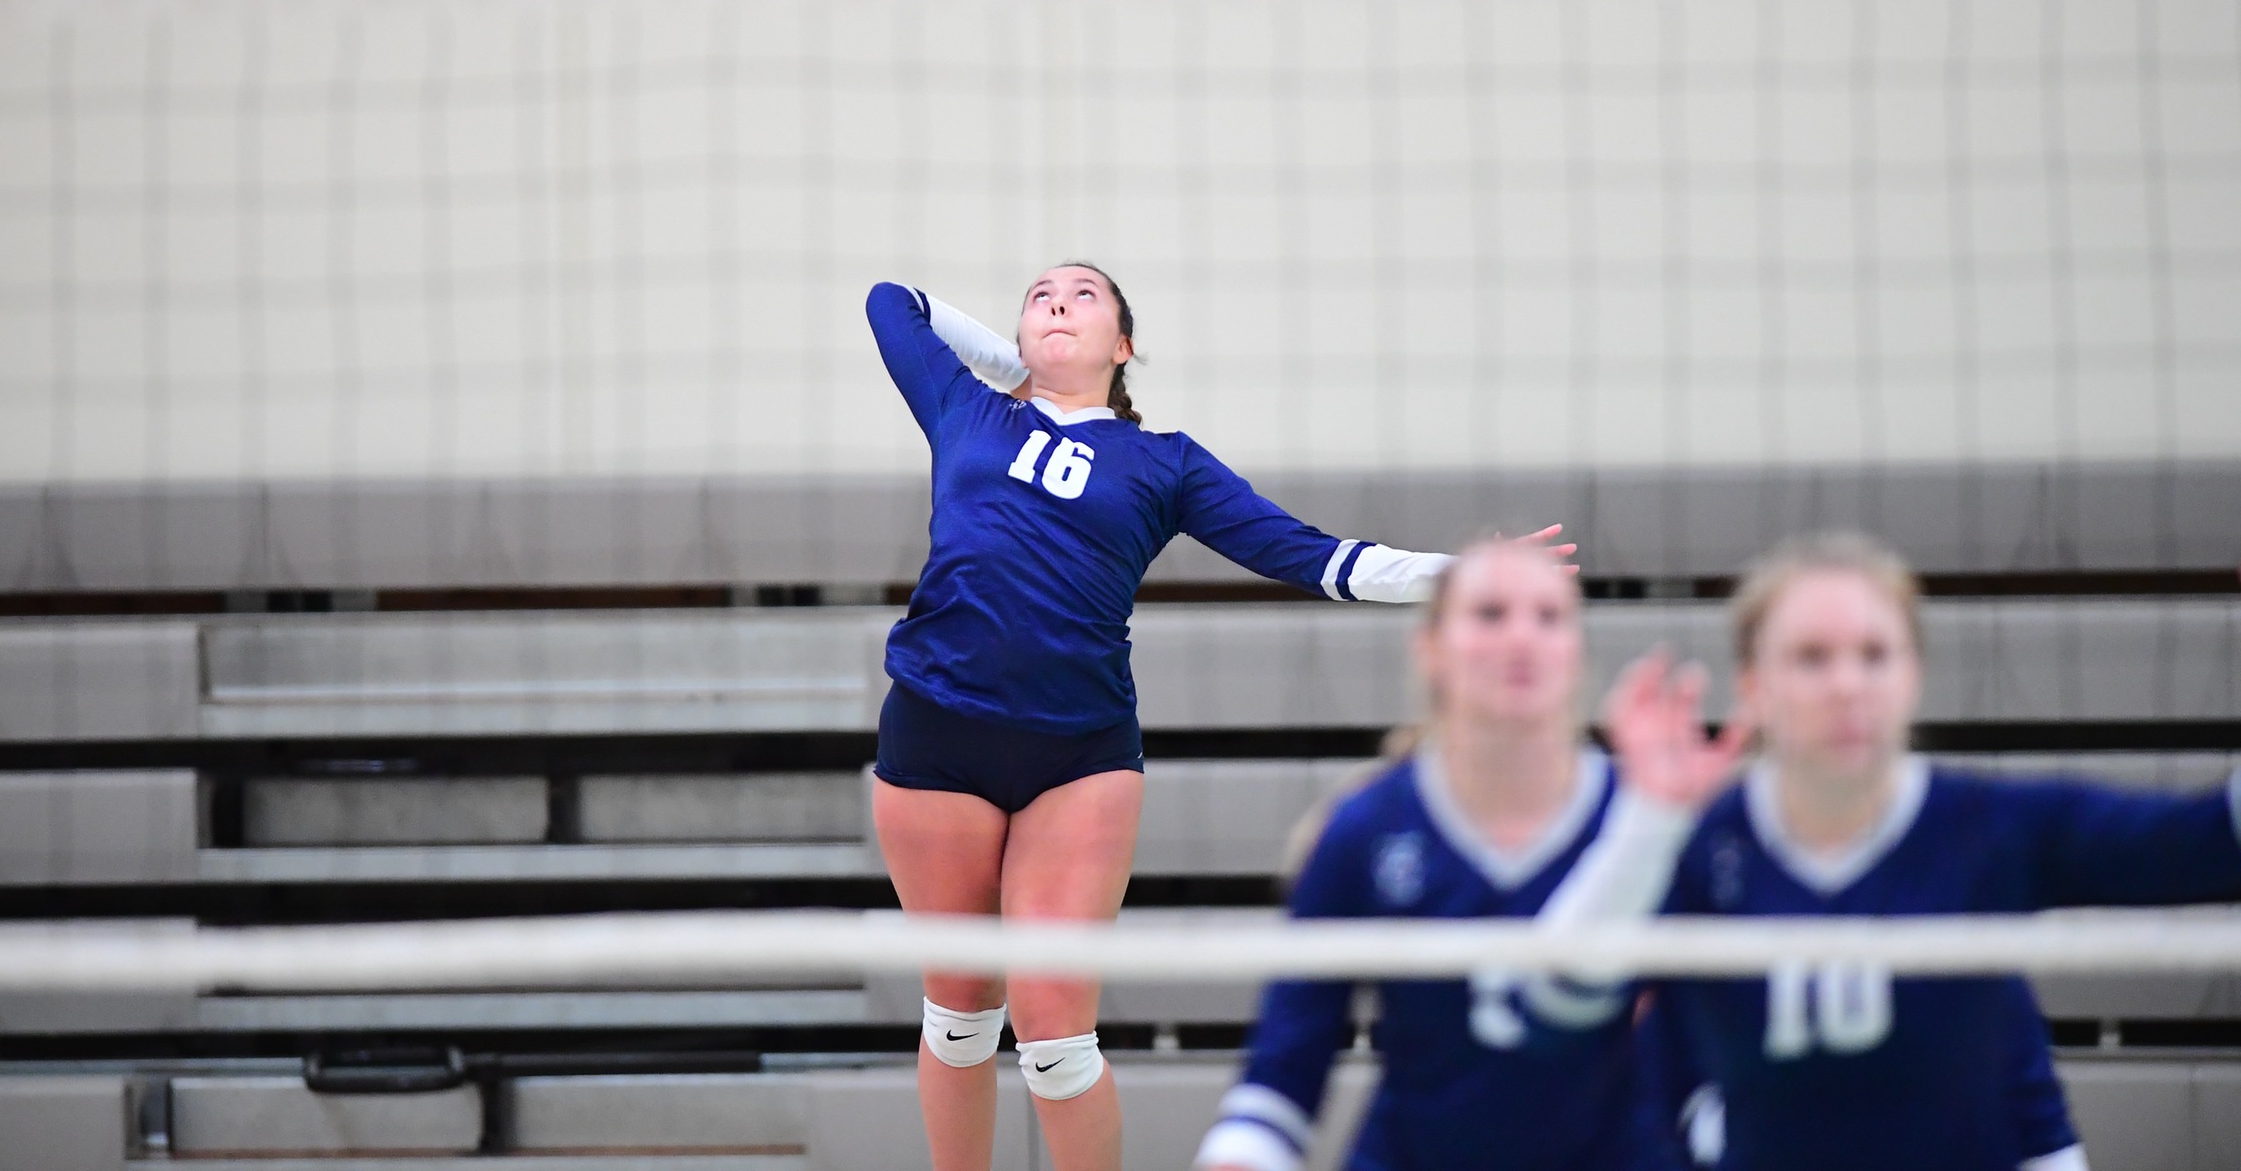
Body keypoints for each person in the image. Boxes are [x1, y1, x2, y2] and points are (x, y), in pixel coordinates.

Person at [865, 267, 1563, 1171]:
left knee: (1053, 1031)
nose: (1056, 305)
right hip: (936, 728)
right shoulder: (967, 407)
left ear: (1123, 345)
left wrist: (1458, 574)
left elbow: (1306, 552)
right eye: (1039, 298)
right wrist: (1024, 372)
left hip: (1076, 755)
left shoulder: (1164, 461)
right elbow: (893, 301)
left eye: (1082, 297)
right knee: (960, 1013)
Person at [1556, 531, 2241, 1171]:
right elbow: (1559, 995)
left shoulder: (1983, 828)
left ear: (1912, 675)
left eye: (1873, 655)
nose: (1846, 685)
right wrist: (1649, 819)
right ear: (1752, 686)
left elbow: (2204, 843)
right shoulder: (1702, 846)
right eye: (1810, 657)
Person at [1191, 538, 1674, 1171]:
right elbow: (1287, 1063)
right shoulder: (1366, 829)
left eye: (1549, 617)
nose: (1521, 638)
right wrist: (1243, 1153)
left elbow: (1700, 1055)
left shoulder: (1645, 820)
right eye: (1490, 615)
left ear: (1577, 652)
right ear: (1431, 648)